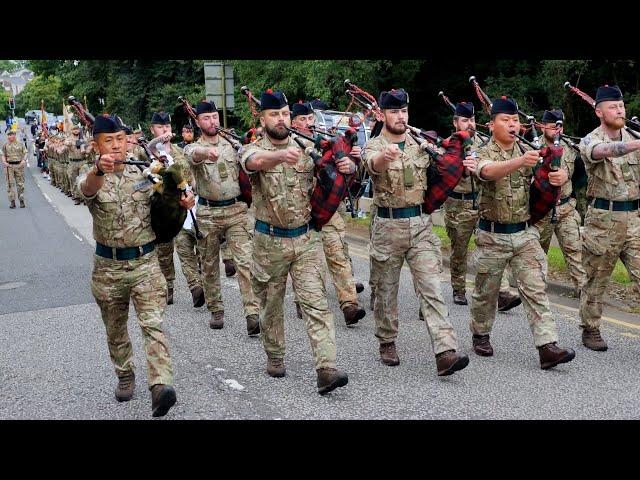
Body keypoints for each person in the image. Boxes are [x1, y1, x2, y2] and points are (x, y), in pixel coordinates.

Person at [76, 114, 195, 416]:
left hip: (145, 263)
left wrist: (183, 201)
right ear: (96, 144)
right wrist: (97, 170)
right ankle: (125, 374)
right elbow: (87, 189)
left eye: (120, 139)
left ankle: (160, 385)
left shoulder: (145, 172)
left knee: (153, 324)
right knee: (116, 329)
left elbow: (169, 198)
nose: (116, 146)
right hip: (108, 267)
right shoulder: (89, 173)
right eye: (108, 141)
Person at [240, 89, 349, 394]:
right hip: (268, 243)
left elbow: (330, 174)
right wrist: (278, 156)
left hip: (305, 240)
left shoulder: (306, 147)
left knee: (316, 304)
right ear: (261, 118)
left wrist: (346, 167)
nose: (282, 119)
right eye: (275, 114)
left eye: (286, 113)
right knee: (270, 306)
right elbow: (252, 162)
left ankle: (326, 368)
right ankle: (275, 354)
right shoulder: (252, 148)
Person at [361, 88, 470, 376]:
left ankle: (445, 350)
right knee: (386, 291)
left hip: (420, 225)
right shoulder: (374, 145)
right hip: (387, 225)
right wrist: (386, 156)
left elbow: (443, 168)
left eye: (404, 111)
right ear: (382, 114)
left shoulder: (422, 143)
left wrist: (462, 167)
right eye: (394, 111)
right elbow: (373, 163)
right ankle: (387, 340)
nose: (400, 116)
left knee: (432, 288)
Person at [467, 96, 575, 369]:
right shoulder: (481, 149)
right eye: (506, 120)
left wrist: (560, 177)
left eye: (515, 120)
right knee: (485, 293)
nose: (512, 125)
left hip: (525, 232)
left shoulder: (531, 150)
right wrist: (519, 162)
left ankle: (547, 346)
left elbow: (553, 177)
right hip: (492, 234)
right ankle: (480, 333)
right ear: (491, 125)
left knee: (536, 288)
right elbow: (486, 172)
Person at [184, 100, 260, 335]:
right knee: (208, 265)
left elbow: (250, 158)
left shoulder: (232, 143)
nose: (212, 122)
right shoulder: (192, 147)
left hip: (236, 211)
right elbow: (193, 155)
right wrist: (206, 152)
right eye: (206, 118)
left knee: (245, 263)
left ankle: (253, 313)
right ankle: (216, 308)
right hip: (207, 213)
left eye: (215, 117)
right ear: (198, 122)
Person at [289, 100, 366, 325]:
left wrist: (353, 160)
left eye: (310, 119)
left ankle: (350, 305)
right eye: (302, 120)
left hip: (328, 208)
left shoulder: (327, 140)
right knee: (306, 261)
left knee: (338, 256)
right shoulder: (288, 144)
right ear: (293, 122)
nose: (307, 123)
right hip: (300, 211)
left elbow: (348, 171)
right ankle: (303, 301)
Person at [578, 85, 640, 351]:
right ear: (599, 111)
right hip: (603, 220)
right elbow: (603, 152)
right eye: (614, 106)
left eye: (622, 105)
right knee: (596, 278)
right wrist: (635, 143)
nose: (620, 110)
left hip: (635, 219)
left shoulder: (634, 135)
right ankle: (590, 328)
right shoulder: (590, 140)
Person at [443, 101, 521, 310]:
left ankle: (502, 293)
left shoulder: (485, 143)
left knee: (492, 246)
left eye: (473, 119)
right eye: (465, 120)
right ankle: (458, 287)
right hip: (459, 204)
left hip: (484, 202)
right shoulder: (449, 145)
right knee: (459, 249)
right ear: (455, 122)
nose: (470, 124)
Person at [533, 109, 586, 298]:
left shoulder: (571, 148)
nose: (557, 129)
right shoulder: (531, 146)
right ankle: (536, 292)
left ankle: (584, 292)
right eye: (553, 125)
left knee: (575, 251)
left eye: (560, 126)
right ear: (542, 125)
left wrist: (568, 181)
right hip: (541, 211)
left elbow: (581, 175)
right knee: (537, 255)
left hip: (566, 208)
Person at [2, 131, 28, 208]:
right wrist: (4, 161)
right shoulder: (5, 145)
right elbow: (2, 154)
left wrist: (24, 160)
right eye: (8, 135)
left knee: (20, 184)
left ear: (14, 136)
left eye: (10, 135)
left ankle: (21, 200)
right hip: (9, 166)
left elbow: (26, 152)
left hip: (19, 165)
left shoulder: (20, 144)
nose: (8, 137)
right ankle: (12, 202)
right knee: (10, 184)